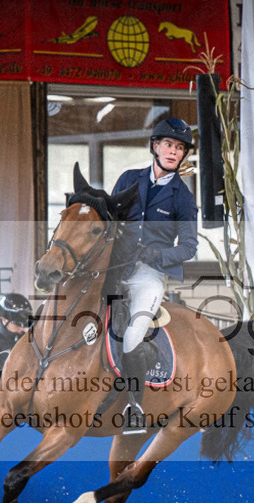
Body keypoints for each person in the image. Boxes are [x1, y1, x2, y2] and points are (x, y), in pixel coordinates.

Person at [110, 117, 199, 434]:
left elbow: (189, 247)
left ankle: (134, 407)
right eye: (168, 144)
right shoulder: (128, 180)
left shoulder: (183, 197)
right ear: (155, 146)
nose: (174, 151)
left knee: (133, 334)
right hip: (114, 268)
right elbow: (109, 222)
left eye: (179, 147)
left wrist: (158, 255)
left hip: (148, 274)